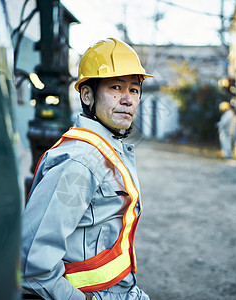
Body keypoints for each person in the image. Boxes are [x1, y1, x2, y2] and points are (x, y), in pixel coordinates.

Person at [21, 38, 153, 300]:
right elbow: (32, 267)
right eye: (116, 87)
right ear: (87, 95)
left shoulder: (107, 148)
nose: (128, 100)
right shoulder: (80, 162)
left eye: (135, 90)